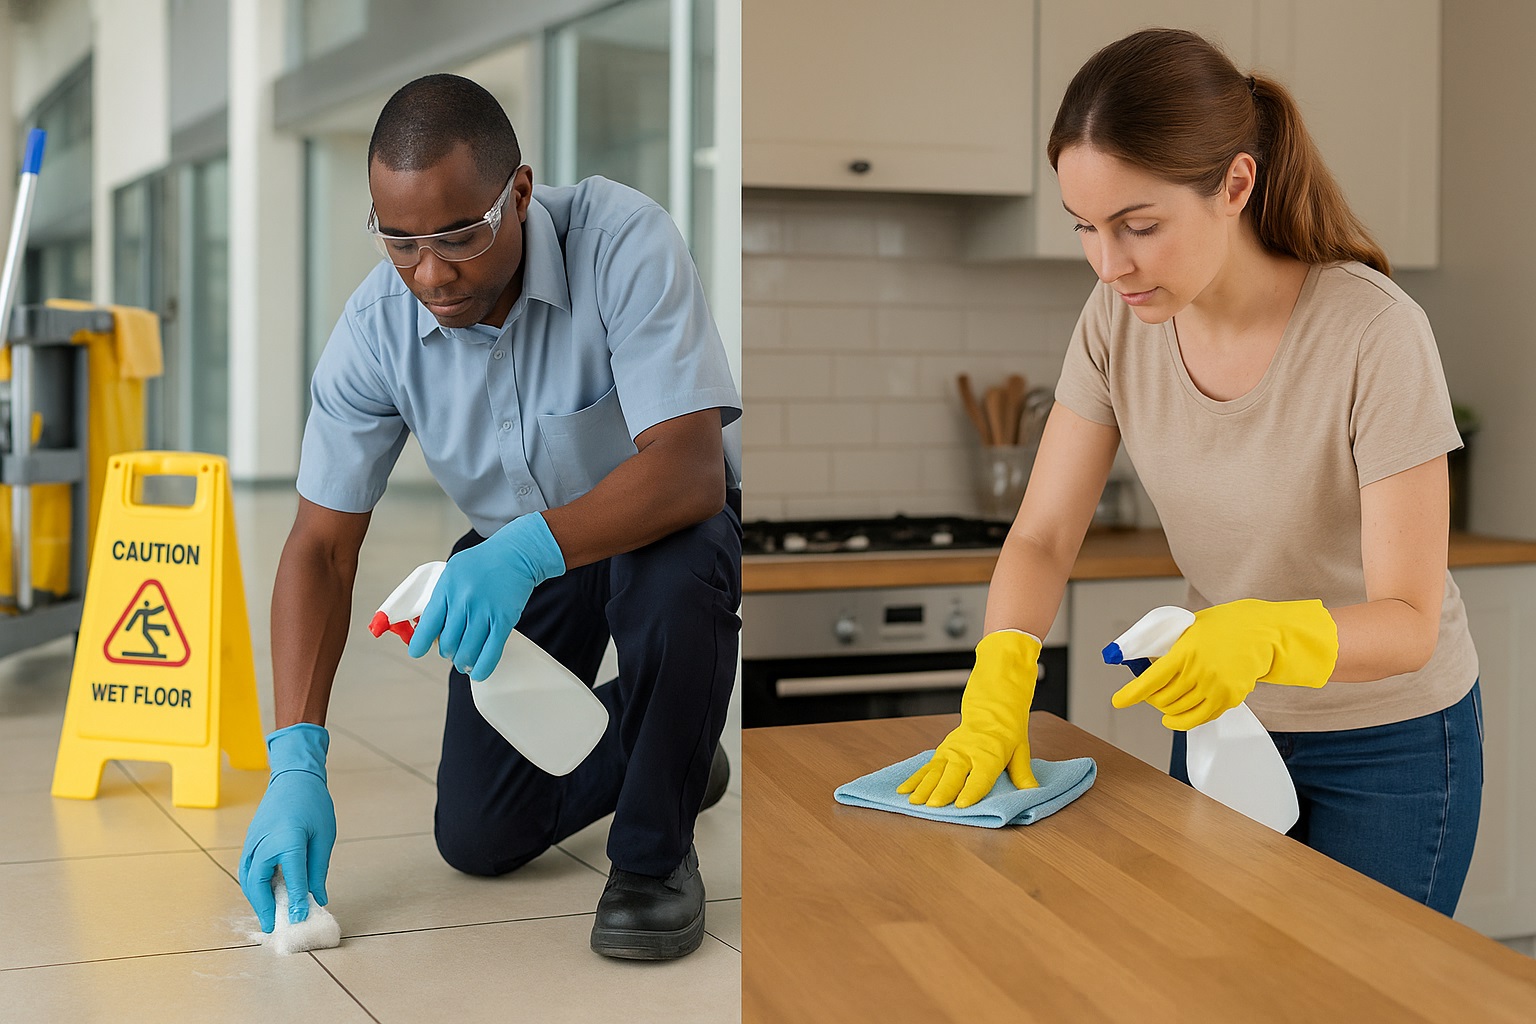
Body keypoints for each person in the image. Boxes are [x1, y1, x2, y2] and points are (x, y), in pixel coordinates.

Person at [898, 28, 1482, 916]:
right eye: (1087, 229)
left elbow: (1408, 622)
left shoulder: (1373, 333)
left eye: (1138, 226)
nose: (1109, 263)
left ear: (1235, 186)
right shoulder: (1114, 320)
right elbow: (1045, 534)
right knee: (1211, 983)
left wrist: (1264, 637)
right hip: (1225, 727)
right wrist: (1000, 677)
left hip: (1391, 742)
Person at [237, 74, 742, 960]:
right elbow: (320, 547)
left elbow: (691, 471)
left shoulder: (622, 241)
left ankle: (654, 863)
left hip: (653, 519)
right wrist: (295, 759)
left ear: (518, 194)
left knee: (677, 575)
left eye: (459, 236)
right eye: (399, 242)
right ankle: (681, 744)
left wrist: (526, 554)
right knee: (481, 835)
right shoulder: (376, 329)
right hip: (515, 541)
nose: (430, 273)